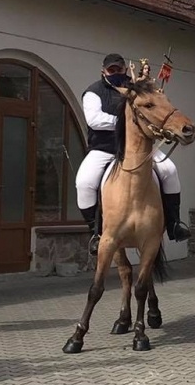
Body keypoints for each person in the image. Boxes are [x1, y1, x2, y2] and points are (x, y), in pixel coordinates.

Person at [75, 53, 187, 255]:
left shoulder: (138, 88)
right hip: (105, 148)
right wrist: (128, 121)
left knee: (170, 170)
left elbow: (156, 108)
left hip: (140, 148)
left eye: (119, 69)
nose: (116, 73)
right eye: (112, 70)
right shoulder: (93, 92)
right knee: (84, 182)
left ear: (126, 69)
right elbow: (94, 120)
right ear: (104, 71)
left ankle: (174, 224)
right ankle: (96, 232)